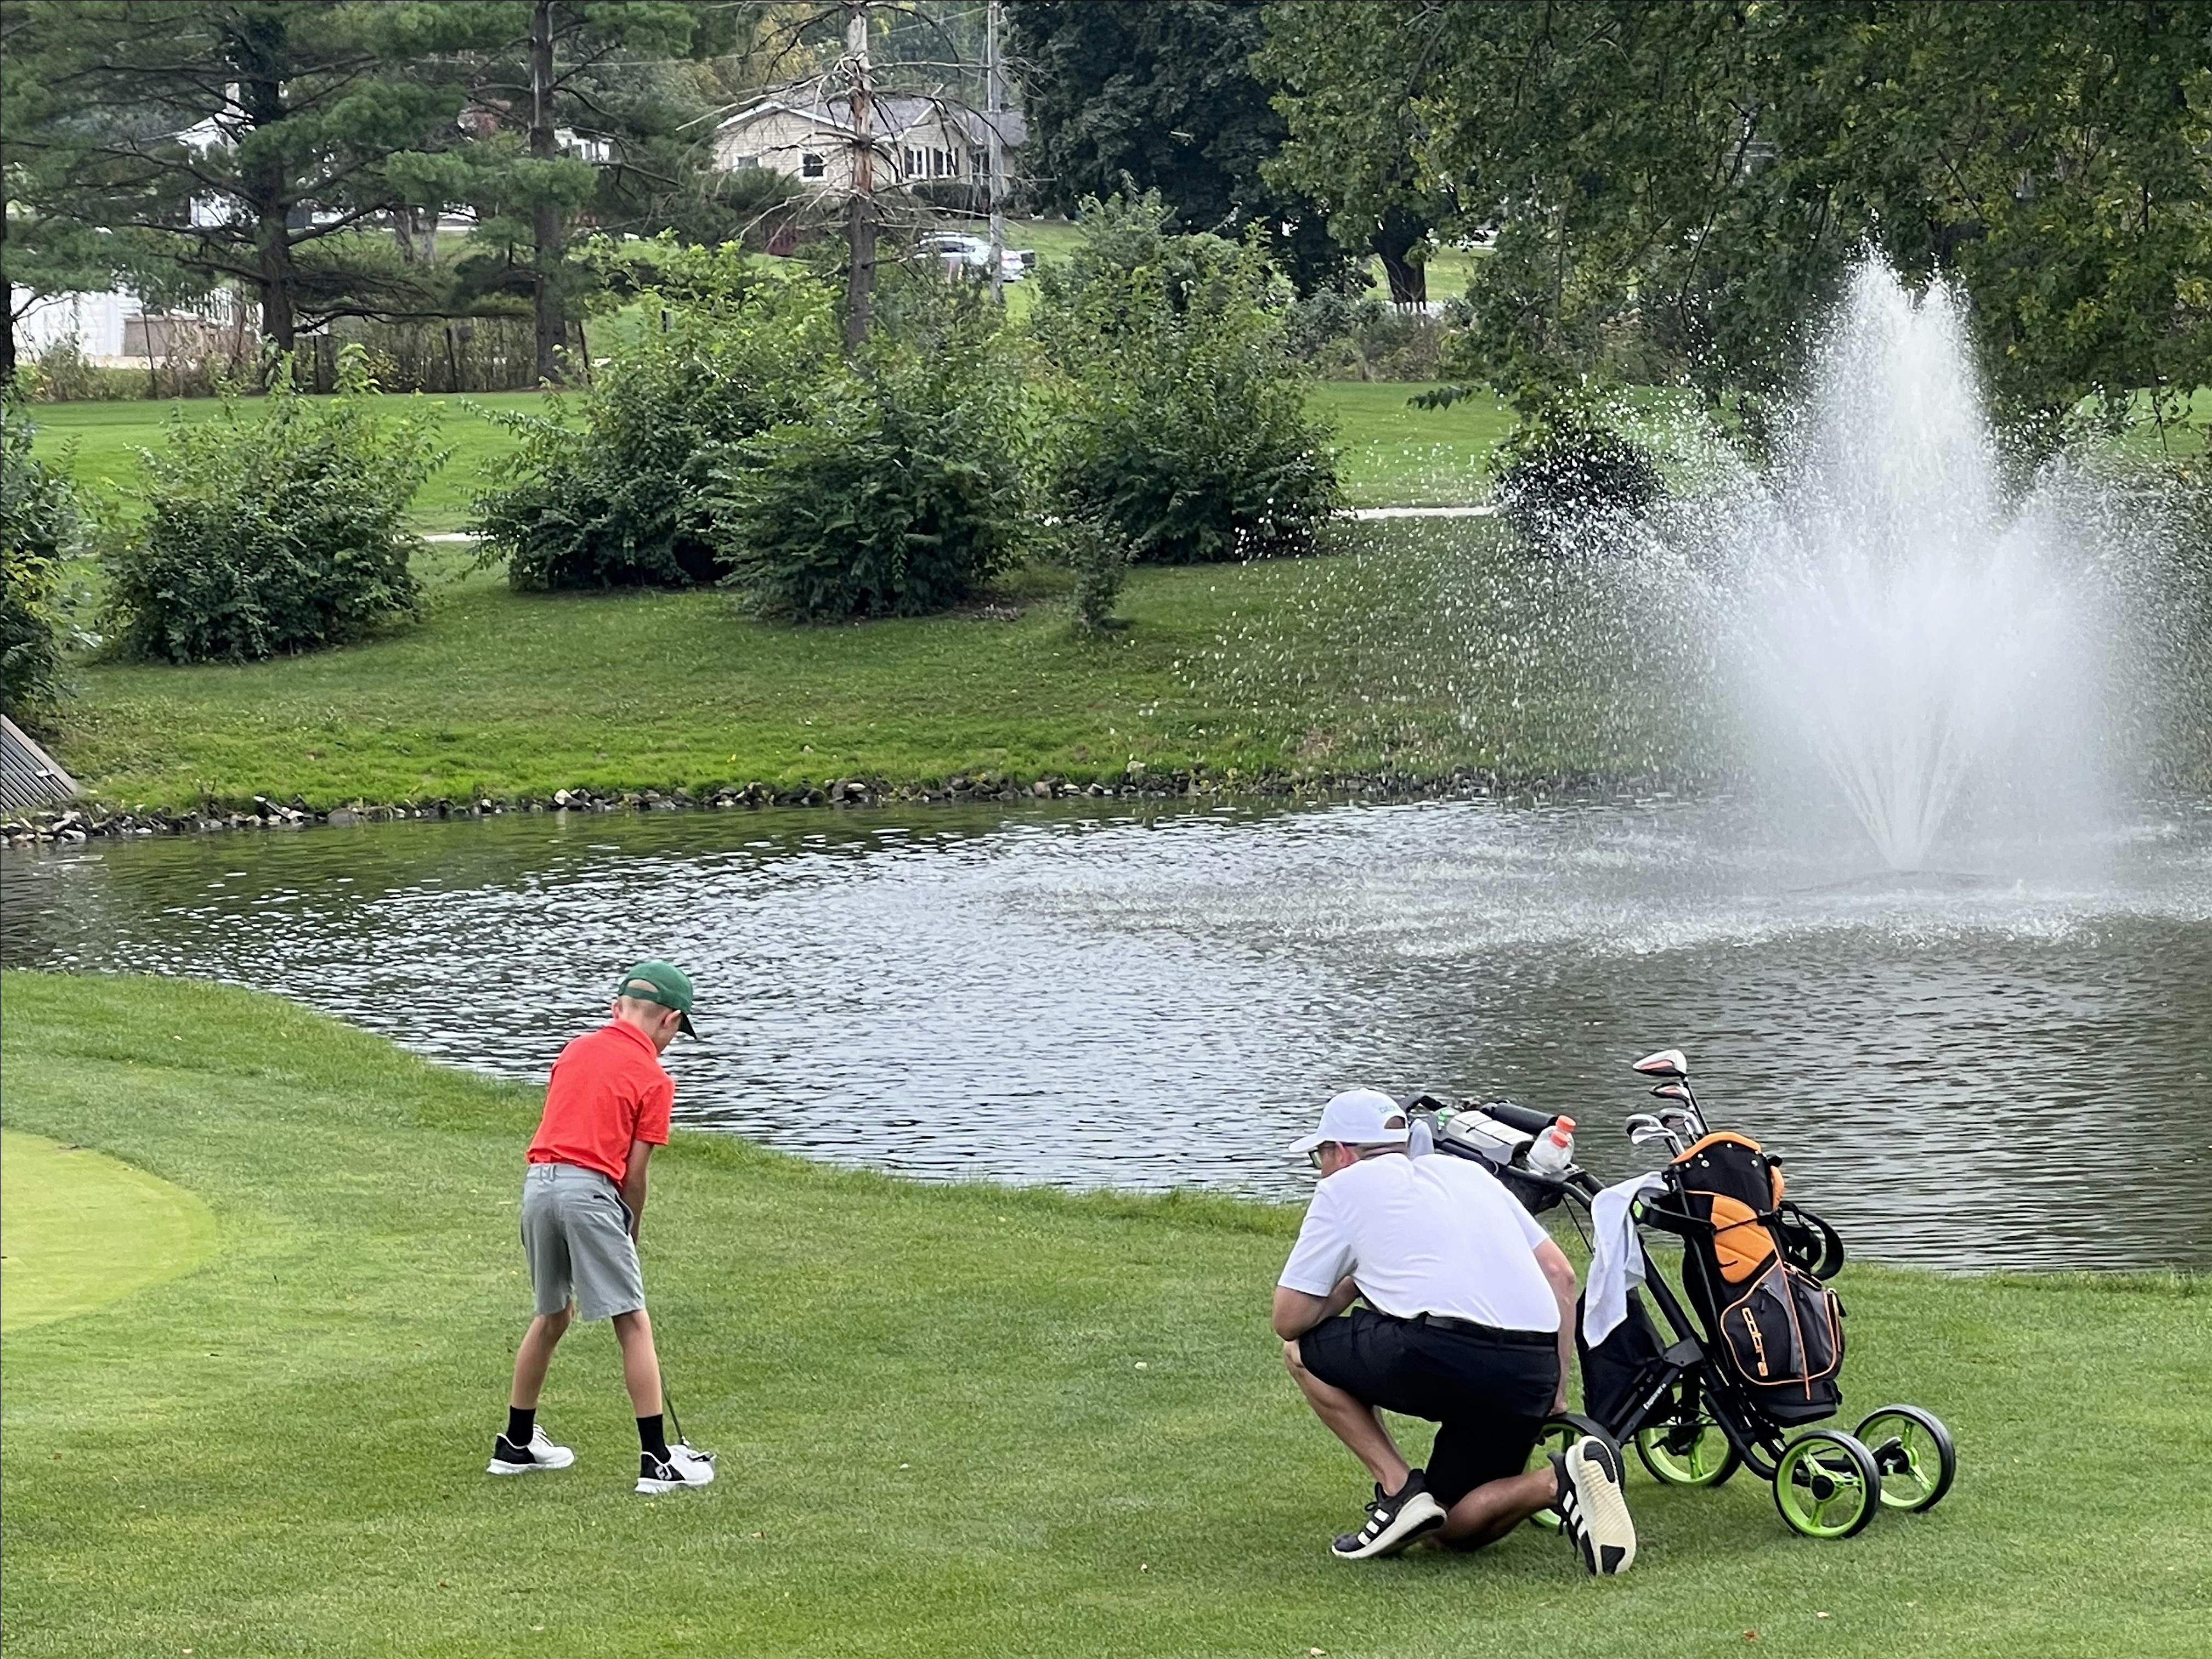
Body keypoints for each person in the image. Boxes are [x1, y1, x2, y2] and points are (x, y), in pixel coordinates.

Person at [1272, 1089, 1636, 1571]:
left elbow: (1288, 1318)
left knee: (1299, 1351)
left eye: (1319, 1155)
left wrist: (1350, 1284)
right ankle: (1558, 1481)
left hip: (1441, 1351)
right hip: (1531, 1366)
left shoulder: (1341, 1187)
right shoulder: (1469, 1173)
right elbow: (1560, 1275)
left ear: (1340, 1151)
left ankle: (1399, 1490)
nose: (1320, 1168)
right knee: (1448, 1532)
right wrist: (1557, 1386)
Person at [487, 959, 717, 1496]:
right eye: (676, 1033)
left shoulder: (574, 1048)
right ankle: (658, 1460)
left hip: (538, 1185)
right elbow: (633, 1175)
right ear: (670, 1021)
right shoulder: (654, 1077)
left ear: (617, 1009)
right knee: (632, 1320)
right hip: (589, 1191)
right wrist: (630, 1227)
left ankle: (517, 1444)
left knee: (551, 1314)